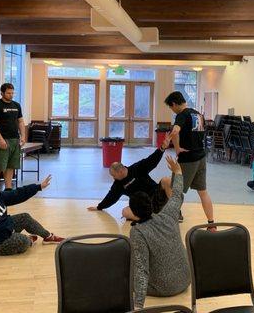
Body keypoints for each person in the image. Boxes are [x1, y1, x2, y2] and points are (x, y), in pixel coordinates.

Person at [129, 155, 191, 309]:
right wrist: (178, 172)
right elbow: (177, 195)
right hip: (185, 279)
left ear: (134, 213)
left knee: (127, 267)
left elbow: (142, 269)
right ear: (150, 204)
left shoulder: (138, 232)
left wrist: (138, 306)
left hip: (164, 288)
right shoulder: (169, 215)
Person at [87, 133, 174, 220]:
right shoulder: (118, 185)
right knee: (125, 212)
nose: (113, 178)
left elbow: (152, 160)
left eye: (114, 175)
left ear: (120, 171)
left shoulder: (137, 168)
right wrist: (99, 207)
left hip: (156, 195)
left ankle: (174, 212)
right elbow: (111, 197)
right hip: (143, 205)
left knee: (166, 180)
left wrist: (162, 148)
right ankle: (152, 217)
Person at [164, 91, 215, 226]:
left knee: (175, 189)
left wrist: (176, 148)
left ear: (174, 104)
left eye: (171, 107)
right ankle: (211, 223)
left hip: (188, 159)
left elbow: (175, 131)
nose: (172, 110)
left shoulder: (182, 115)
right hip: (201, 157)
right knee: (203, 192)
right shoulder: (198, 114)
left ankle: (175, 215)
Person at [0, 83, 26, 190]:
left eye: (12, 93)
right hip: (2, 140)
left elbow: (20, 121)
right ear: (2, 93)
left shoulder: (16, 105)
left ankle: (8, 189)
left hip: (15, 139)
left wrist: (23, 136)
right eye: (8, 93)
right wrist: (0, 139)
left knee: (11, 166)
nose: (11, 95)